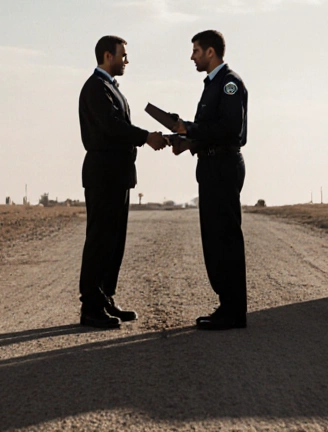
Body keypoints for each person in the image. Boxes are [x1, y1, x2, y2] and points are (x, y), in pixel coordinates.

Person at [77, 35, 167, 328]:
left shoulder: (111, 89)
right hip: (103, 174)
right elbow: (112, 127)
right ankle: (91, 306)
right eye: (123, 55)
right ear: (107, 56)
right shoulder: (95, 88)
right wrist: (146, 137)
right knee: (100, 241)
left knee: (115, 242)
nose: (126, 60)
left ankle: (106, 298)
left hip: (117, 175)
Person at [174, 29, 249, 330]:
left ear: (210, 52)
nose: (192, 56)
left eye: (195, 50)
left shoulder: (229, 83)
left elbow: (230, 129)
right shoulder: (212, 84)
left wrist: (190, 130)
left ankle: (233, 311)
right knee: (214, 238)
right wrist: (186, 139)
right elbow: (211, 128)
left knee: (226, 238)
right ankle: (226, 305)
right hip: (210, 164)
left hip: (223, 165)